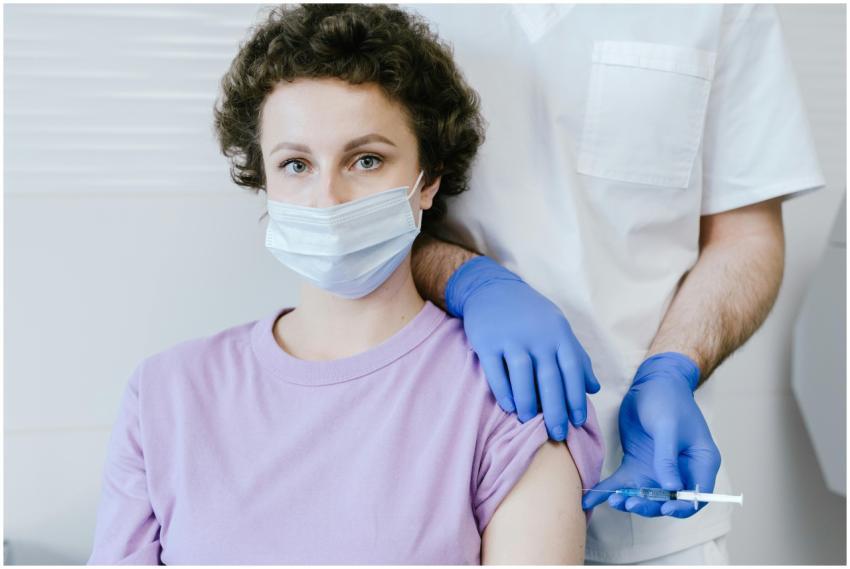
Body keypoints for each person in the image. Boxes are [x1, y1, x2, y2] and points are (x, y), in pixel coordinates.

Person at [86, 4, 605, 565]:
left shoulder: (509, 396)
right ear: (262, 178)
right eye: (296, 165)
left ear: (427, 179)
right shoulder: (167, 395)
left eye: (365, 160)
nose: (328, 198)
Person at [406, 3, 827, 564]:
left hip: (647, 493)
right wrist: (466, 280)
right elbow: (340, 209)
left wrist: (674, 367)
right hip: (439, 467)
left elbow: (744, 236)